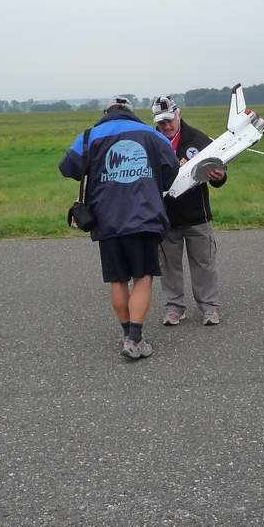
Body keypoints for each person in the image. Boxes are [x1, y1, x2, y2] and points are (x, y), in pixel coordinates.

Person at [59, 96, 179, 360]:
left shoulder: (90, 136)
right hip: (144, 218)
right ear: (130, 112)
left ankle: (127, 335)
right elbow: (171, 169)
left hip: (107, 220)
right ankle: (135, 339)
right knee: (143, 277)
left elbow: (66, 167)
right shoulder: (151, 134)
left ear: (107, 112)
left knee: (118, 279)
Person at [150, 95, 227, 327]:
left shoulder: (198, 138)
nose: (166, 126)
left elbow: (219, 173)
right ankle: (174, 308)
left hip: (197, 215)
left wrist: (219, 176)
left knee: (204, 263)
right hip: (166, 217)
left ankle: (209, 307)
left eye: (169, 120)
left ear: (179, 114)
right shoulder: (150, 142)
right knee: (169, 265)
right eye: (161, 122)